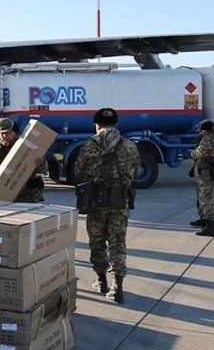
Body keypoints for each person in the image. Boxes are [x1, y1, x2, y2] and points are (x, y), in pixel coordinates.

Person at [74, 108, 140, 304]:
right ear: (116, 124)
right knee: (117, 242)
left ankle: (101, 280)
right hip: (119, 201)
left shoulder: (89, 145)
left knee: (97, 241)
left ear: (97, 125)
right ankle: (117, 286)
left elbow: (79, 171)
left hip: (96, 201)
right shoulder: (129, 146)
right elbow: (135, 172)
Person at [0, 118, 47, 202]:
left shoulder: (26, 146)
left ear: (14, 132)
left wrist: (41, 163)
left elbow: (42, 169)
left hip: (29, 195)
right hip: (6, 193)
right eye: (2, 133)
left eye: (8, 133)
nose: (5, 136)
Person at [190, 119, 214, 236]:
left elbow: (200, 153)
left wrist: (193, 152)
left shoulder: (207, 138)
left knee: (207, 199)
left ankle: (209, 227)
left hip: (207, 173)